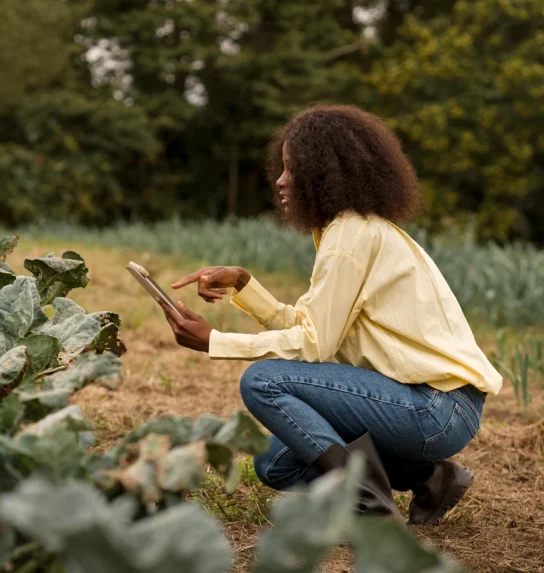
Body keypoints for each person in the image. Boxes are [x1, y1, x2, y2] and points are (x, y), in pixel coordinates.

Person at [157, 104, 502, 525]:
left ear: (323, 173)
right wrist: (246, 285)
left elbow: (312, 345)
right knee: (275, 464)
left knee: (262, 382)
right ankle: (430, 477)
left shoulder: (350, 235)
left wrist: (215, 342)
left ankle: (369, 511)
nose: (280, 182)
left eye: (291, 169)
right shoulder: (350, 230)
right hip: (426, 405)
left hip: (437, 408)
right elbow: (315, 331)